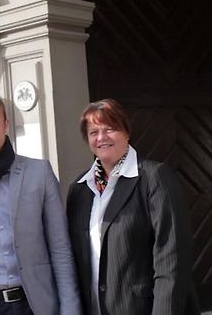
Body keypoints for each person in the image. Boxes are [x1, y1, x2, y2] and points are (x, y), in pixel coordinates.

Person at [0, 88, 82, 315]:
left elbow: (60, 248)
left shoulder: (38, 173)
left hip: (34, 304)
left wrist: (70, 308)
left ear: (6, 124)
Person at [67, 98, 200, 315]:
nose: (101, 137)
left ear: (126, 132)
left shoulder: (154, 177)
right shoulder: (79, 189)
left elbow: (172, 261)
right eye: (93, 132)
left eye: (109, 129)